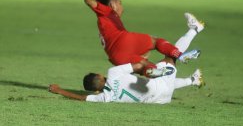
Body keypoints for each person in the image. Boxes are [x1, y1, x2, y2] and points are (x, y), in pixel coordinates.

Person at [77, 0, 205, 77]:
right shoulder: (107, 11)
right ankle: (179, 55)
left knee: (145, 66)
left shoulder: (109, 20)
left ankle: (153, 71)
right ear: (112, 4)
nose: (122, 6)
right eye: (120, 3)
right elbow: (88, 1)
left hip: (116, 57)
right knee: (155, 41)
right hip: (122, 41)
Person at [49, 56, 204, 104]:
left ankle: (193, 80)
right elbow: (137, 66)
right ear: (99, 75)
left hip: (161, 100)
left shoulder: (105, 97)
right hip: (156, 84)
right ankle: (194, 30)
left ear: (96, 90)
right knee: (170, 57)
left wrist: (59, 90)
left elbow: (82, 98)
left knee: (164, 84)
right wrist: (145, 65)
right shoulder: (113, 72)